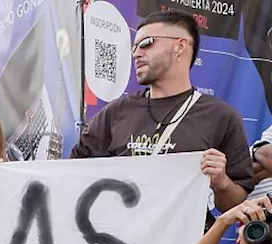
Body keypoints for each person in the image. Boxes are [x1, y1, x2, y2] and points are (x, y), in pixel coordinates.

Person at [70, 10, 252, 210]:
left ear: (180, 46)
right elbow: (74, 173)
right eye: (134, 47)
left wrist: (221, 181)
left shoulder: (221, 117)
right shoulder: (116, 112)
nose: (137, 53)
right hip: (118, 238)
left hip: (187, 239)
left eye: (147, 43)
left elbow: (234, 203)